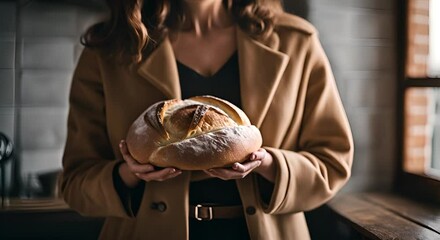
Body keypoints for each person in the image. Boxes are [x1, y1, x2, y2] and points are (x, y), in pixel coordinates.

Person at [60, 0, 354, 239]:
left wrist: (267, 164)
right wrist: (130, 173)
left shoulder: (296, 42)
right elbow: (75, 182)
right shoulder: (109, 47)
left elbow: (333, 163)